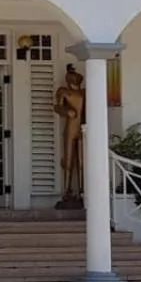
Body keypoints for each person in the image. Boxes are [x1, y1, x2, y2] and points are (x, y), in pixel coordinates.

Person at [52, 64, 85, 206]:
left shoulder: (85, 93)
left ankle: (83, 191)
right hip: (71, 127)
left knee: (83, 161)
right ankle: (66, 190)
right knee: (68, 159)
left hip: (83, 128)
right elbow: (57, 106)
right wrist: (67, 112)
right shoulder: (64, 91)